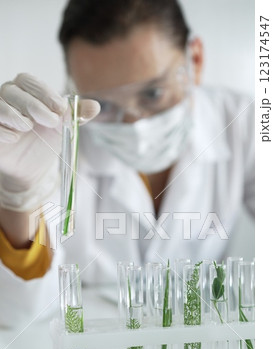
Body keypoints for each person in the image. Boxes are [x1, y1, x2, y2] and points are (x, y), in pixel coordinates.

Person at [0, 0, 254, 326]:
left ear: (195, 60)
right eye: (104, 103)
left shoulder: (244, 123)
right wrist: (17, 196)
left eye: (152, 94)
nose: (134, 123)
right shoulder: (52, 145)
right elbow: (21, 312)